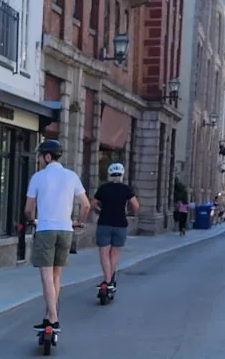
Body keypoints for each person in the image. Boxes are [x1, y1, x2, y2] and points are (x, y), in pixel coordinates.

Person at [24, 139, 90, 333]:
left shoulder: (38, 177)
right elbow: (86, 205)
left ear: (47, 156)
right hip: (65, 230)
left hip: (45, 229)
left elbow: (28, 209)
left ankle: (53, 318)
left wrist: (33, 220)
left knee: (46, 277)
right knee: (56, 276)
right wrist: (79, 222)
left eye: (40, 156)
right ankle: (48, 317)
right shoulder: (71, 176)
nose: (38, 160)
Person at [92, 163, 139, 289]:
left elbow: (93, 204)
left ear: (109, 175)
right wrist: (130, 213)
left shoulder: (103, 188)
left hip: (104, 223)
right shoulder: (126, 189)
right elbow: (136, 206)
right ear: (122, 175)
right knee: (114, 255)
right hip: (120, 224)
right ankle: (110, 281)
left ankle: (107, 281)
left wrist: (99, 211)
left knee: (104, 254)